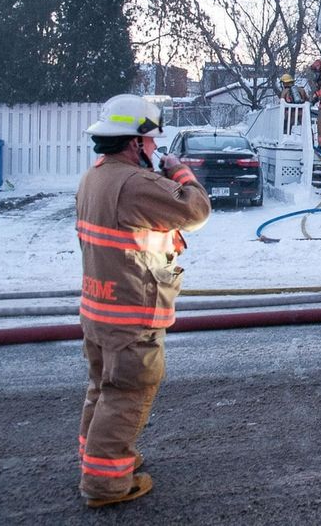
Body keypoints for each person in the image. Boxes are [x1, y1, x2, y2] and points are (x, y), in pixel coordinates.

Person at [75, 94, 211, 508]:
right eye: (152, 142)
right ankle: (106, 483)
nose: (155, 149)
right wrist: (181, 172)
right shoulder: (135, 183)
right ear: (135, 143)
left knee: (103, 389)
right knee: (128, 392)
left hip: (99, 309)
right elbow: (197, 210)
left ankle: (97, 458)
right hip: (131, 315)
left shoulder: (93, 177)